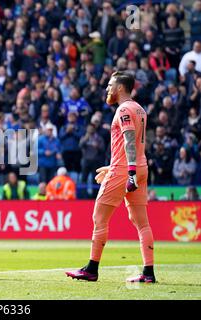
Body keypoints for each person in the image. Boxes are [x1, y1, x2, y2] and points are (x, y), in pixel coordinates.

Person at [66, 72, 155, 283]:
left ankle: (91, 269)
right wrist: (121, 167)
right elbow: (134, 145)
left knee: (99, 218)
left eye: (110, 85)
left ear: (120, 88)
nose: (107, 88)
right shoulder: (139, 109)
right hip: (140, 167)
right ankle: (149, 273)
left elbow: (129, 140)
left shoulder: (123, 109)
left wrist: (128, 172)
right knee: (141, 222)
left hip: (128, 170)